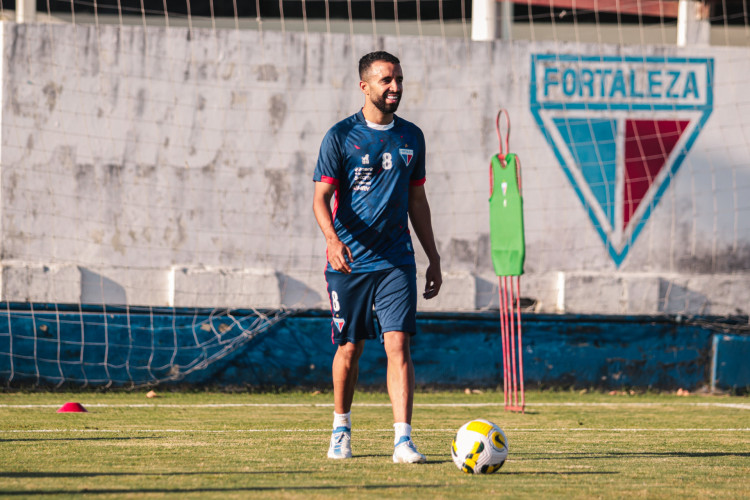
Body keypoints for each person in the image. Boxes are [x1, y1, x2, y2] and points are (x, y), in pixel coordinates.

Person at [312, 51, 442, 464]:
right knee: (350, 349)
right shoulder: (339, 137)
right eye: (387, 80)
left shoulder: (412, 137)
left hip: (396, 261)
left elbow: (417, 200)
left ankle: (402, 440)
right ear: (365, 86)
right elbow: (320, 198)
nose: (396, 87)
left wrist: (433, 257)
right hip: (349, 261)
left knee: (398, 344)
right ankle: (340, 430)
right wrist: (332, 241)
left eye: (399, 79)